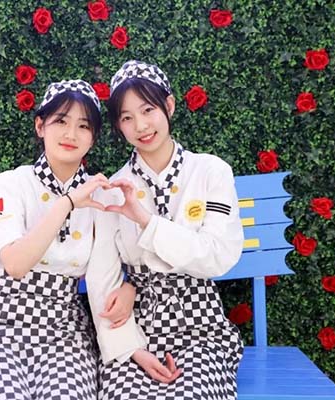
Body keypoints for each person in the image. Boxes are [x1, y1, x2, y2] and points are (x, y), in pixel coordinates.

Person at [0, 79, 135, 400]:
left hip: (63, 332)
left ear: (93, 137)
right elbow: (15, 264)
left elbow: (107, 271)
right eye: (60, 121)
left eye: (83, 126)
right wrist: (67, 203)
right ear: (40, 126)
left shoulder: (100, 195)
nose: (71, 134)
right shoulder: (13, 183)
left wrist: (129, 287)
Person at [86, 60, 245, 400]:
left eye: (148, 110)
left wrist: (147, 221)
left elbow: (218, 256)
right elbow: (102, 276)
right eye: (127, 118)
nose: (141, 126)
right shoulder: (113, 188)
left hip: (200, 326)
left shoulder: (210, 172)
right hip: (137, 325)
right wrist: (130, 348)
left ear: (169, 106)